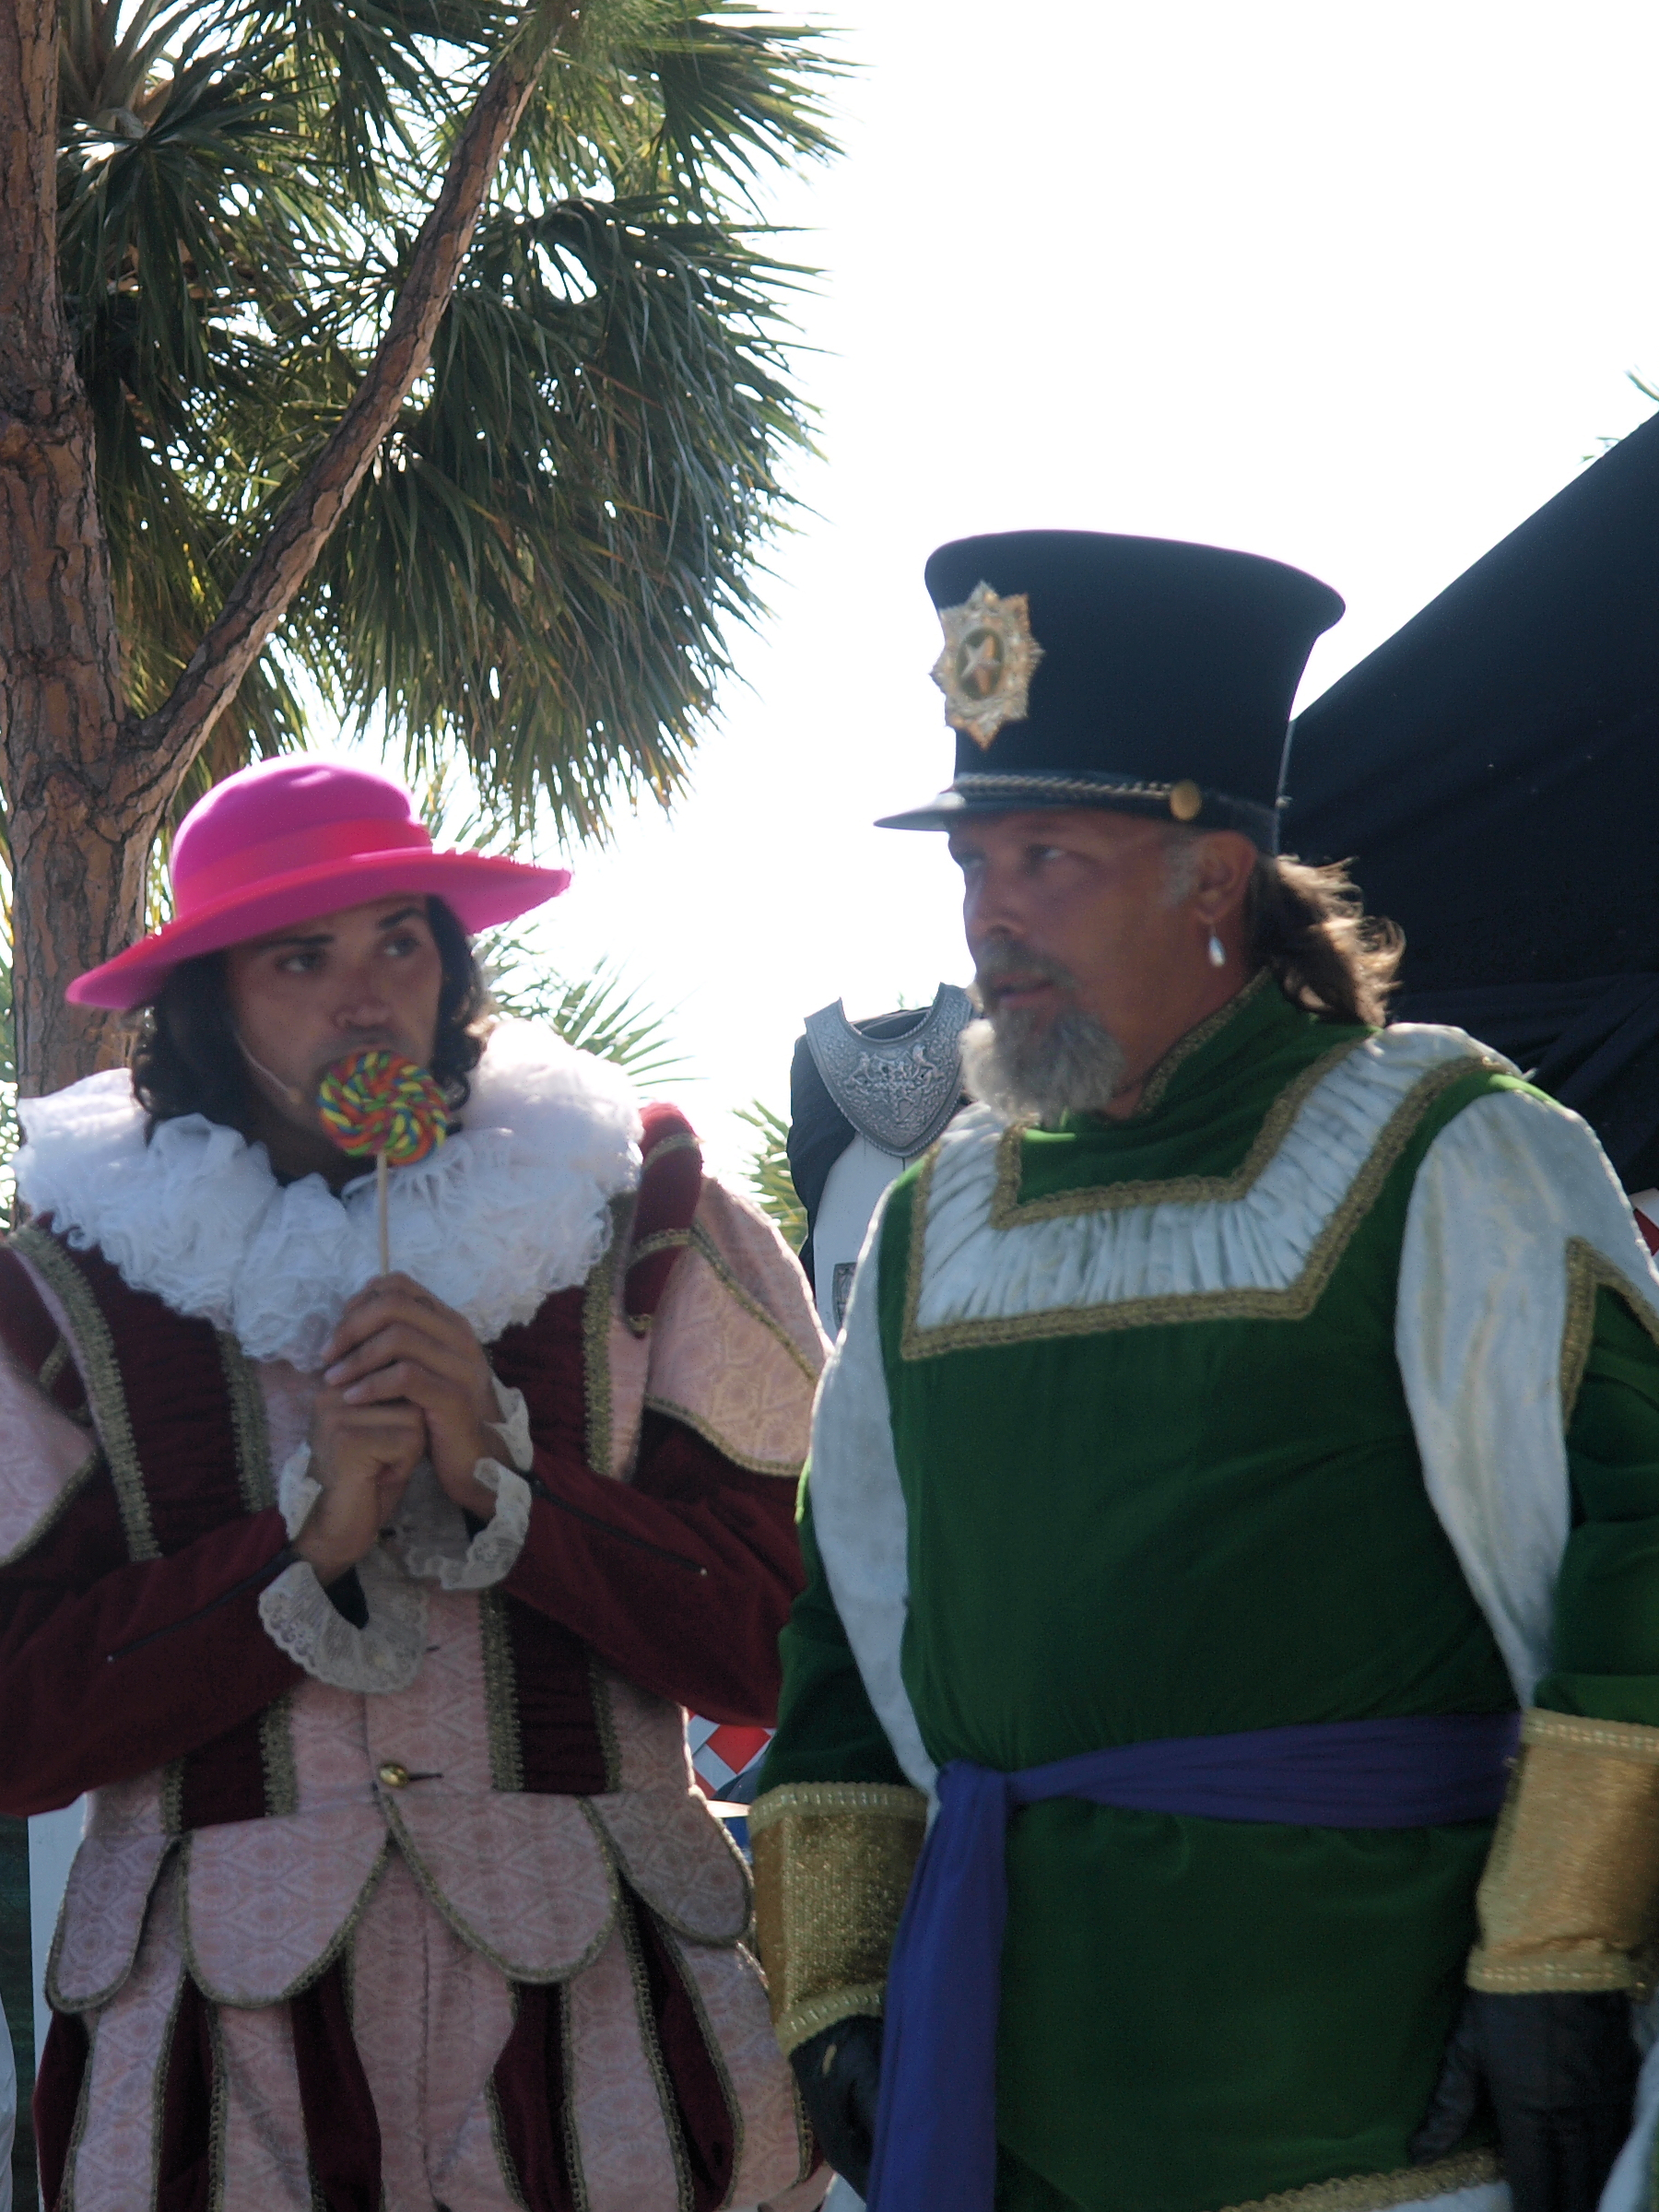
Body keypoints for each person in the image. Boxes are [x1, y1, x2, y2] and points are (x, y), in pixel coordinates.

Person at [749, 530, 1659, 2212]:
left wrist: (1561, 1947)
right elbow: (845, 1615)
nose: (991, 915)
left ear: (1215, 882)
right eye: (974, 864)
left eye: (1049, 858)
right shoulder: (940, 1215)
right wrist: (841, 1973)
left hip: (1373, 2092)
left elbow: (1644, 1545)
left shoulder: (1448, 1149)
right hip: (1016, 2087)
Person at [0, 755, 828, 2212]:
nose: (367, 997)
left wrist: (517, 1487)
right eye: (299, 957)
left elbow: (797, 1646)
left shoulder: (647, 1216)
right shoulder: (62, 1289)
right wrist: (298, 1554)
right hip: (217, 2082)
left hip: (608, 2063)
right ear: (204, 1001)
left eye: (400, 940)